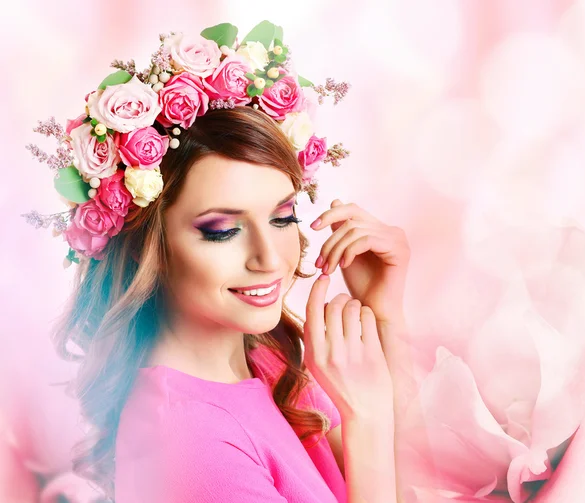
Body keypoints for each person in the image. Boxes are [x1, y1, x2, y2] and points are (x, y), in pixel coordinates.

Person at [24, 23, 410, 503]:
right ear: (149, 247)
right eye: (222, 231)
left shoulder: (259, 357)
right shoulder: (191, 449)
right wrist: (366, 420)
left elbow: (401, 485)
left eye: (283, 216)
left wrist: (382, 315)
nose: (270, 259)